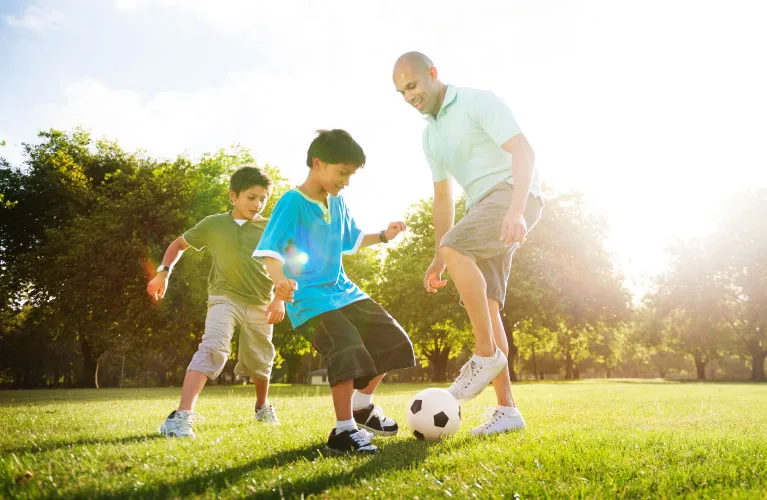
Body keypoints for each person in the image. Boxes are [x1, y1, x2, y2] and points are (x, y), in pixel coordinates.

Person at [392, 52, 543, 435]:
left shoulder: (477, 101)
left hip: (510, 196)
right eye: (401, 92)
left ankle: (485, 354)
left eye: (412, 86)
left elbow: (524, 151)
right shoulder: (431, 135)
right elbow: (443, 198)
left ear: (432, 74)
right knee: (488, 305)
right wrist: (438, 257)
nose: (409, 96)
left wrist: (516, 209)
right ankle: (508, 412)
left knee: (456, 248)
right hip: (482, 208)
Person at [253, 129, 416, 454]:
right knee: (347, 345)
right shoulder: (292, 202)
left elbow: (351, 239)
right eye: (343, 172)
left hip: (344, 291)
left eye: (351, 174)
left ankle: (362, 406)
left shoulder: (338, 202)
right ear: (318, 163)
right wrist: (279, 281)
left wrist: (384, 235)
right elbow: (270, 249)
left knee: (394, 340)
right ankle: (343, 431)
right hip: (309, 299)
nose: (347, 181)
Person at [147, 165, 285, 438]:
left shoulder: (270, 228)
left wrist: (279, 299)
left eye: (263, 199)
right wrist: (163, 273)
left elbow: (279, 265)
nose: (257, 204)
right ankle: (180, 417)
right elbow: (177, 245)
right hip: (224, 297)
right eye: (251, 197)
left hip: (260, 302)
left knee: (260, 359)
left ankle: (262, 406)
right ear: (233, 196)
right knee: (213, 348)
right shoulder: (213, 224)